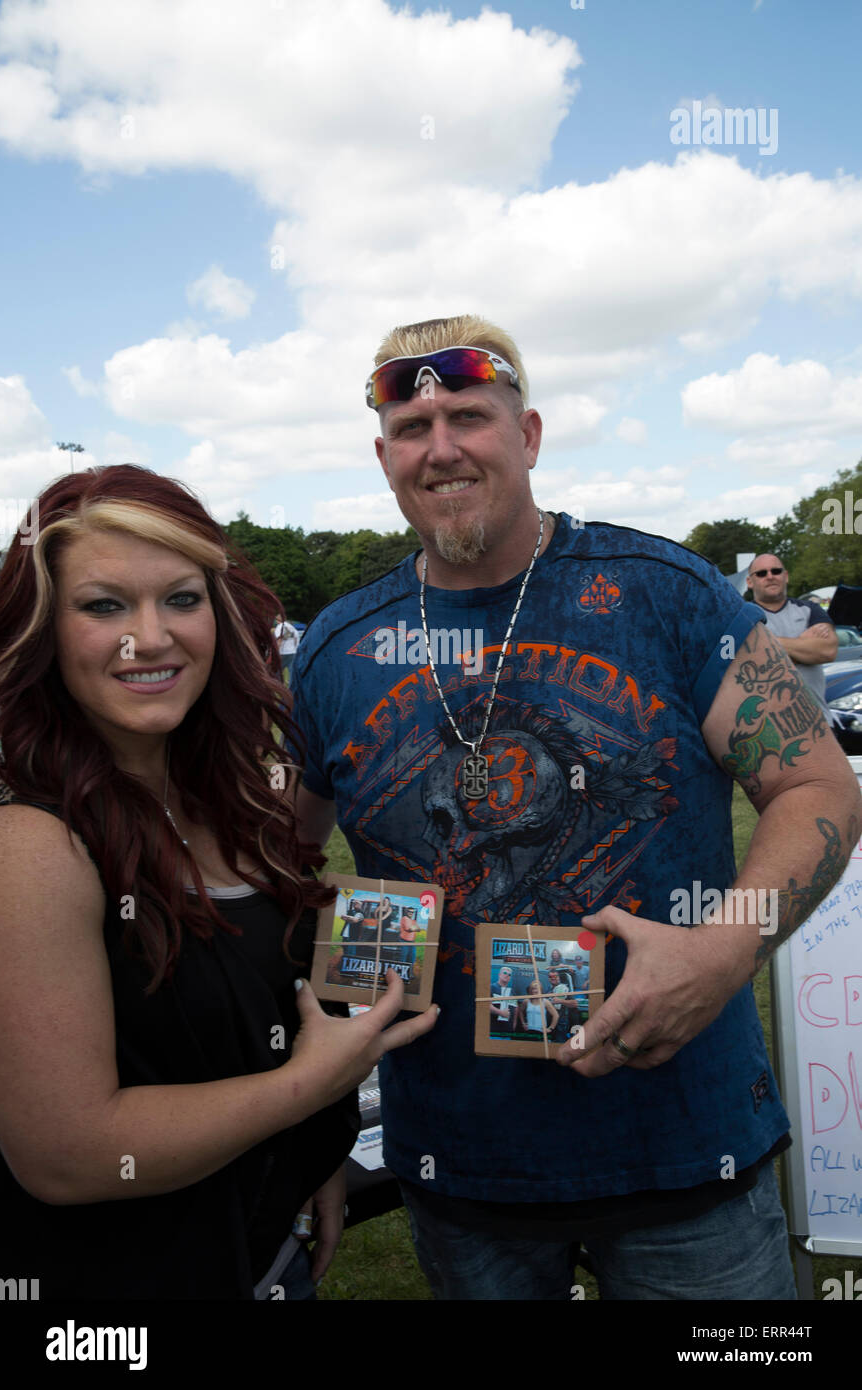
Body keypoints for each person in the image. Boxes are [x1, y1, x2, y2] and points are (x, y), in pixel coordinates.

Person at [290, 314, 861, 1301]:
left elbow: (816, 784)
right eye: (411, 427)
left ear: (528, 435)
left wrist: (723, 950)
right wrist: (306, 1112)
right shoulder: (338, 647)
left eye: (468, 416)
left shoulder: (667, 593)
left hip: (686, 1150)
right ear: (383, 458)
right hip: (460, 1169)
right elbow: (283, 868)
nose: (440, 447)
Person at [0, 464, 437, 1301]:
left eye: (181, 599)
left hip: (270, 1256)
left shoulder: (231, 799)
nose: (150, 637)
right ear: (43, 630)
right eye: (104, 606)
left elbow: (268, 992)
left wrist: (314, 1151)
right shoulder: (31, 846)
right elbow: (66, 1154)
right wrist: (309, 1087)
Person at [747, 554, 838, 720]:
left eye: (776, 571)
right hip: (768, 726)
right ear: (749, 582)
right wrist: (804, 646)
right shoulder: (741, 616)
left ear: (786, 576)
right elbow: (738, 662)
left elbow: (828, 651)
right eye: (761, 573)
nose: (770, 576)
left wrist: (762, 643)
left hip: (819, 721)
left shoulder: (811, 609)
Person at [273, 609, 300, 684]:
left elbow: (279, 639)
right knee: (291, 670)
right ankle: (292, 684)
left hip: (283, 652)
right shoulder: (292, 627)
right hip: (293, 651)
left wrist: (276, 650)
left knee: (278, 669)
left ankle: (277, 684)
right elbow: (296, 639)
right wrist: (295, 649)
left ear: (277, 620)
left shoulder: (280, 627)